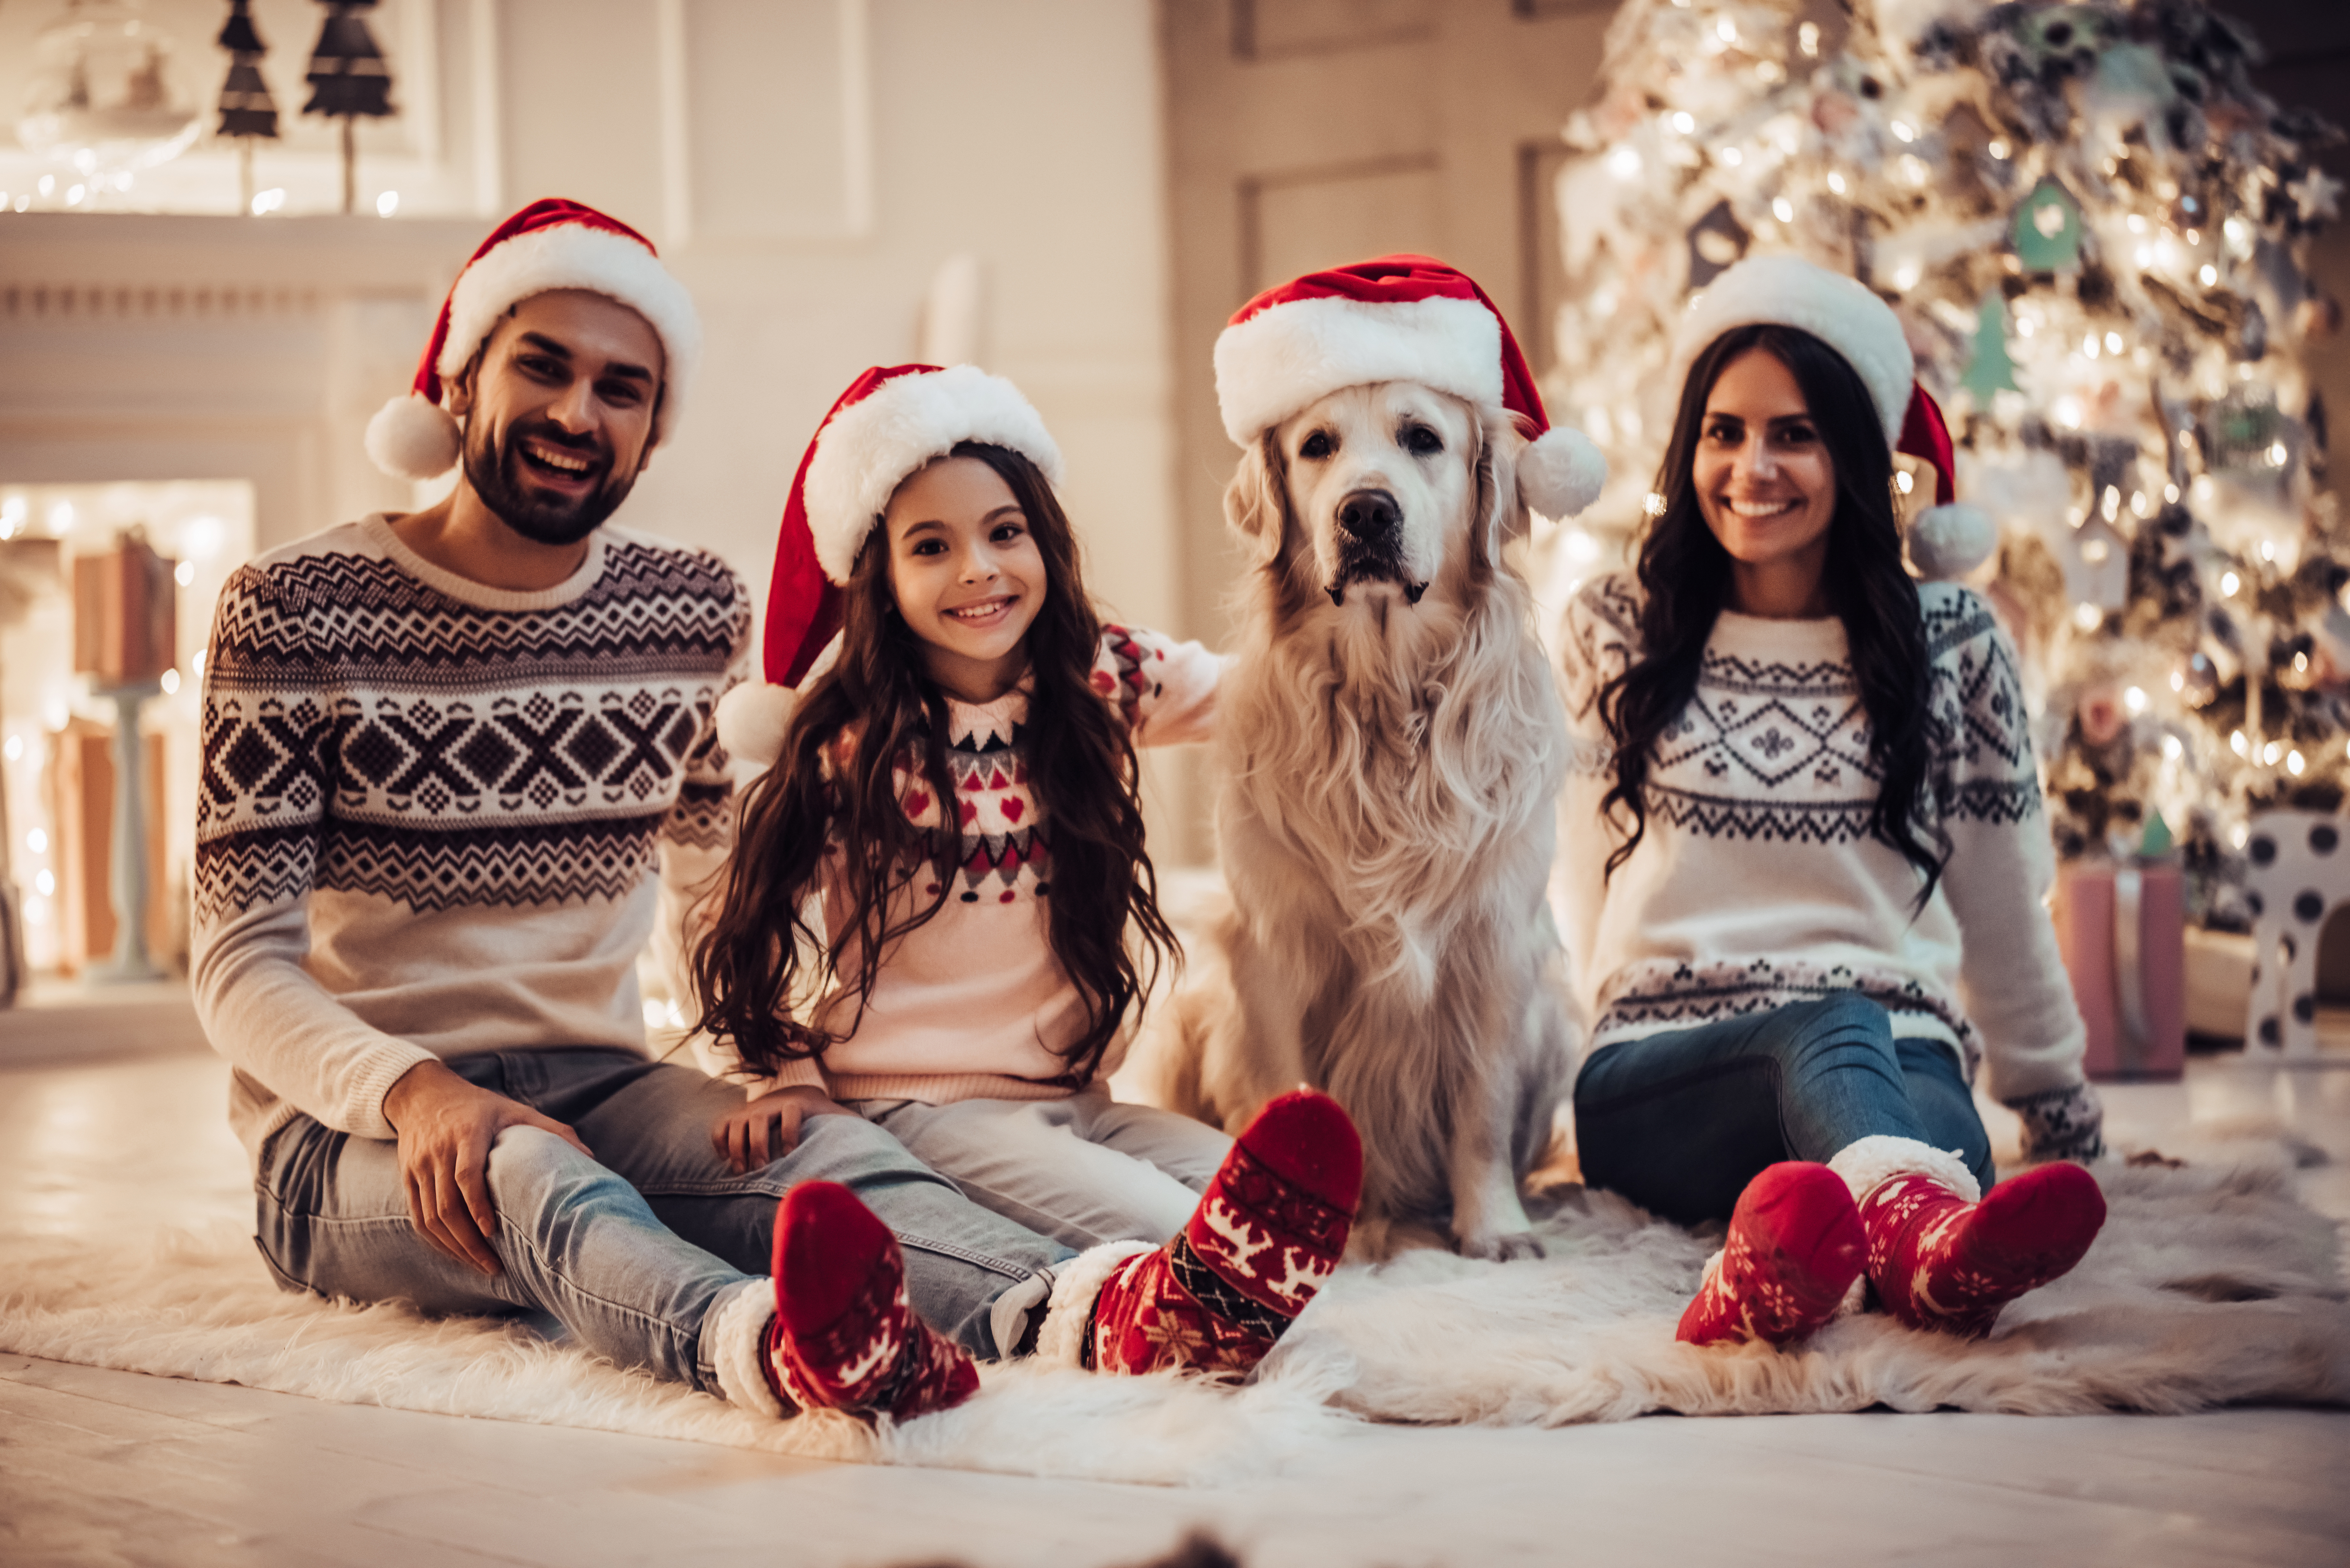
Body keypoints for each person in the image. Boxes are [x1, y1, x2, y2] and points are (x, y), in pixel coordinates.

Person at [193, 200, 1357, 1429]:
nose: (579, 413)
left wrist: (769, 1066)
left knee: (830, 1162)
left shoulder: (684, 608)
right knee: (526, 1171)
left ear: (654, 426)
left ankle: (1083, 1316)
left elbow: (716, 889)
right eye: (543, 366)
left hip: (604, 1080)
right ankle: (766, 1352)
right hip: (343, 1135)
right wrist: (415, 1092)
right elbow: (237, 963)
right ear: (459, 378)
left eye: (622, 388)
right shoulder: (291, 608)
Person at [1554, 255, 2109, 1350]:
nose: (1751, 466)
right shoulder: (1615, 629)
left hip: (1903, 1054)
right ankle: (1915, 1241)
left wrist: (2060, 1110)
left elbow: (2003, 900)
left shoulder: (1952, 640)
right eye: (1724, 431)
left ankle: (1788, 1264)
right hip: (1664, 1075)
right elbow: (1558, 882)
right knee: (1836, 1033)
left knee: (1947, 1140)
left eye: (1794, 434)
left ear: (1854, 456)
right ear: (1690, 445)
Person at [697, 363, 1246, 1257]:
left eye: (1004, 532)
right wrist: (785, 1077)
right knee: (1187, 1239)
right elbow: (743, 922)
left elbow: (1264, 694)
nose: (978, 569)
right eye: (931, 547)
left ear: (1046, 543)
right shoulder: (851, 736)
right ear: (878, 577)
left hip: (1074, 1099)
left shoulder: (1102, 679)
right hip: (916, 1106)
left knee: (1270, 1202)